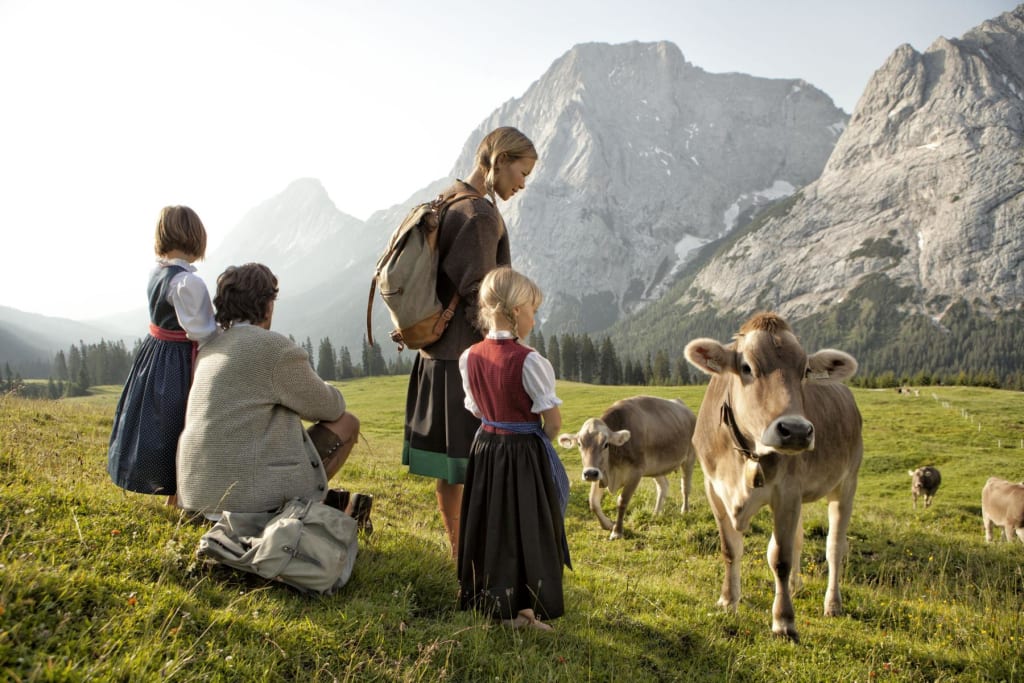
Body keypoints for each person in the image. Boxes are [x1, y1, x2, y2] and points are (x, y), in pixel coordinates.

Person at [402, 126, 538, 558]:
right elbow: (484, 296)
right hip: (465, 360)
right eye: (522, 170)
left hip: (438, 356)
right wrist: (506, 356)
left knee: (456, 468)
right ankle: (469, 555)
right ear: (499, 160)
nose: (522, 183)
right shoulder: (480, 215)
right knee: (471, 465)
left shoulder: (450, 196)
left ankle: (463, 551)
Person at [175, 263, 370, 526]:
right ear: (267, 305)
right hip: (247, 507)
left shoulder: (210, 349)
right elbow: (331, 408)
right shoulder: (273, 348)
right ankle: (305, 508)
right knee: (348, 423)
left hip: (195, 501)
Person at [457, 266, 570, 631]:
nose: (534, 320)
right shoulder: (531, 361)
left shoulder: (469, 356)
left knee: (492, 524)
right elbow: (553, 423)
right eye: (533, 312)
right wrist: (538, 446)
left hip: (486, 449)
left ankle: (497, 604)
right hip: (521, 452)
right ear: (518, 311)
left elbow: (475, 408)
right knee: (527, 527)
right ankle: (524, 610)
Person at [107, 205, 217, 504]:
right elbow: (202, 331)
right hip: (179, 360)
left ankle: (171, 492)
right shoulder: (188, 283)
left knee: (160, 422)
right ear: (196, 238)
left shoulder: (158, 274)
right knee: (183, 422)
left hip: (155, 354)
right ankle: (181, 493)